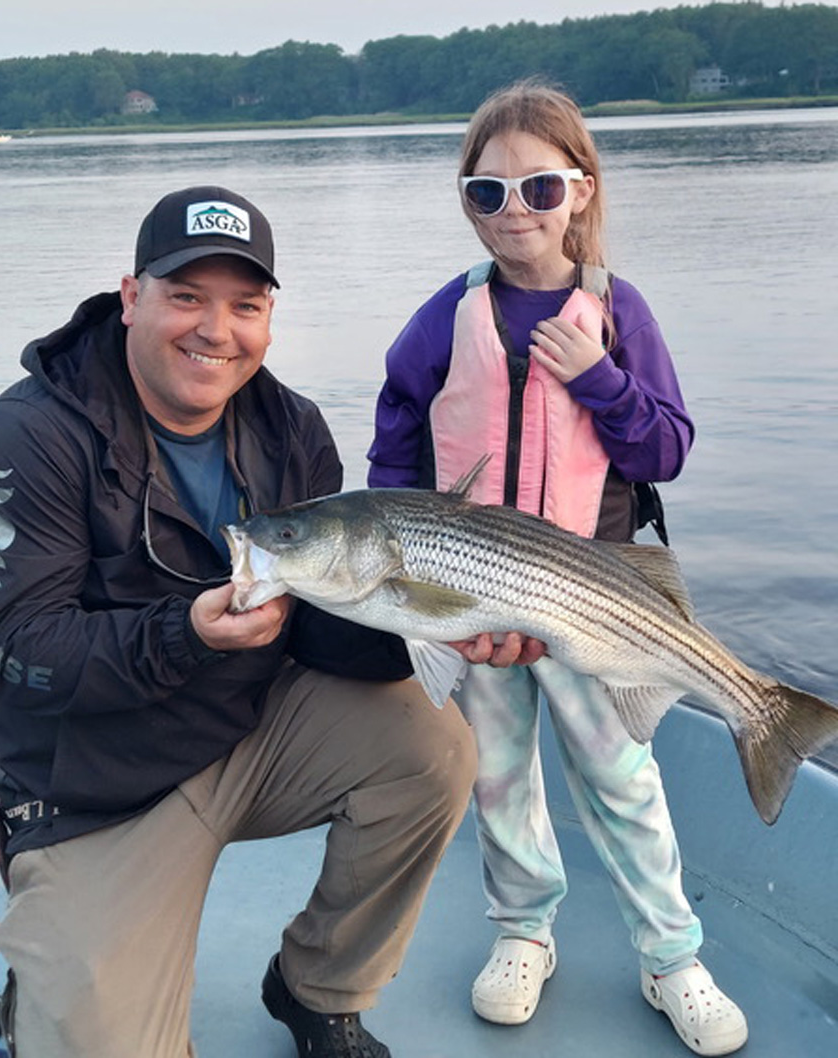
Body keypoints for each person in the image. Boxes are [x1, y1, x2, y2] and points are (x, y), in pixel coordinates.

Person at [0, 185, 477, 1058]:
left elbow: (320, 629)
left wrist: (437, 624)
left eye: (245, 305)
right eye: (186, 296)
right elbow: (13, 654)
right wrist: (183, 632)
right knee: (96, 1038)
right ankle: (54, 970)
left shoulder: (290, 427)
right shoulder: (30, 435)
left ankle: (318, 988)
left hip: (245, 732)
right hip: (98, 790)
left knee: (434, 744)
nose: (215, 330)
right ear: (131, 299)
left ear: (269, 318)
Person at [367, 81, 749, 1057]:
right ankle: (522, 932)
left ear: (581, 190)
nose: (514, 212)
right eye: (486, 193)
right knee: (499, 779)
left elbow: (664, 448)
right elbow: (394, 459)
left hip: (597, 601)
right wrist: (408, 580)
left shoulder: (618, 311)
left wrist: (599, 376)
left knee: (623, 780)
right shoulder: (437, 318)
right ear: (466, 202)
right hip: (472, 599)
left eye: (539, 188)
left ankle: (672, 955)